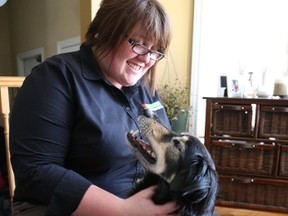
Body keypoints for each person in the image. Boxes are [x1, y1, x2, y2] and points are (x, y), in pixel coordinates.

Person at [10, 0, 178, 215]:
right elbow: (36, 171)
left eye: (156, 51)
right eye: (138, 43)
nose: (147, 59)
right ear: (106, 30)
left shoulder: (146, 89)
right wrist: (123, 209)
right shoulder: (55, 78)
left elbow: (167, 150)